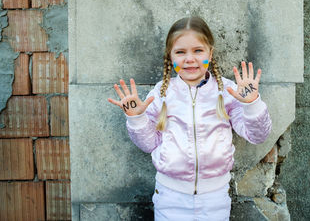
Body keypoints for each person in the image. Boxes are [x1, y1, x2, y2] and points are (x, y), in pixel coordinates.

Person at [108, 17, 272, 221]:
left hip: (215, 199)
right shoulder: (161, 93)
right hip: (169, 198)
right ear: (170, 56)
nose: (190, 59)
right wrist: (136, 118)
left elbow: (257, 136)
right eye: (180, 52)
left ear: (210, 54)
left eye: (198, 51)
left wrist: (252, 103)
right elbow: (149, 144)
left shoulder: (227, 91)